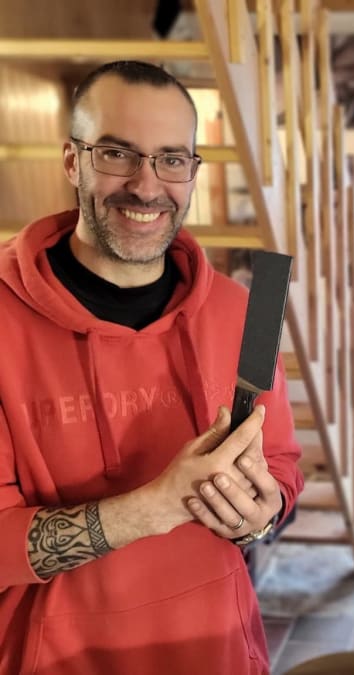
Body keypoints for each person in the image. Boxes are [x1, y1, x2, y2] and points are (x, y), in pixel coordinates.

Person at [0, 61, 301, 674]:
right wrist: (158, 504)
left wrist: (261, 513)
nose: (146, 185)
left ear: (191, 172)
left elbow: (282, 468)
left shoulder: (246, 311)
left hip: (219, 652)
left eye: (171, 159)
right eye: (117, 153)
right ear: (72, 161)